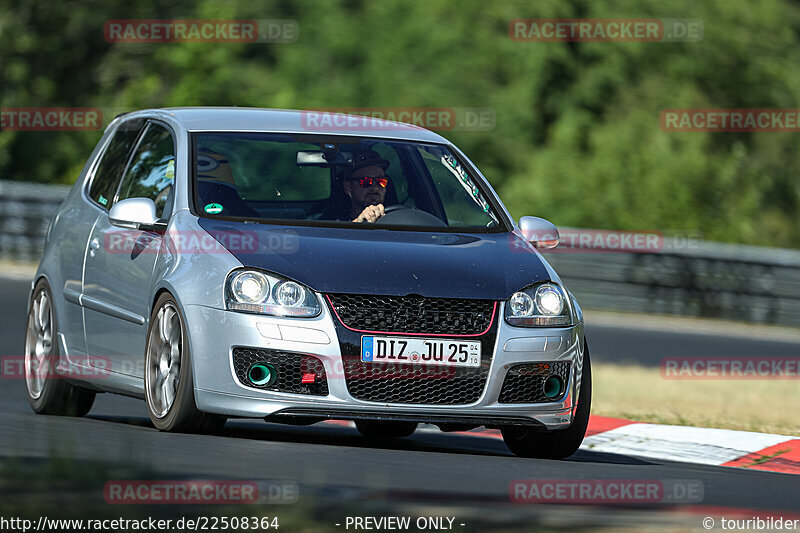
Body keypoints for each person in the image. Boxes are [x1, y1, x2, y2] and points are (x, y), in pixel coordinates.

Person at [337, 150, 392, 223]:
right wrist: (358, 222)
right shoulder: (335, 223)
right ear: (348, 187)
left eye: (381, 181)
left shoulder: (401, 218)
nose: (375, 188)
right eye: (366, 181)